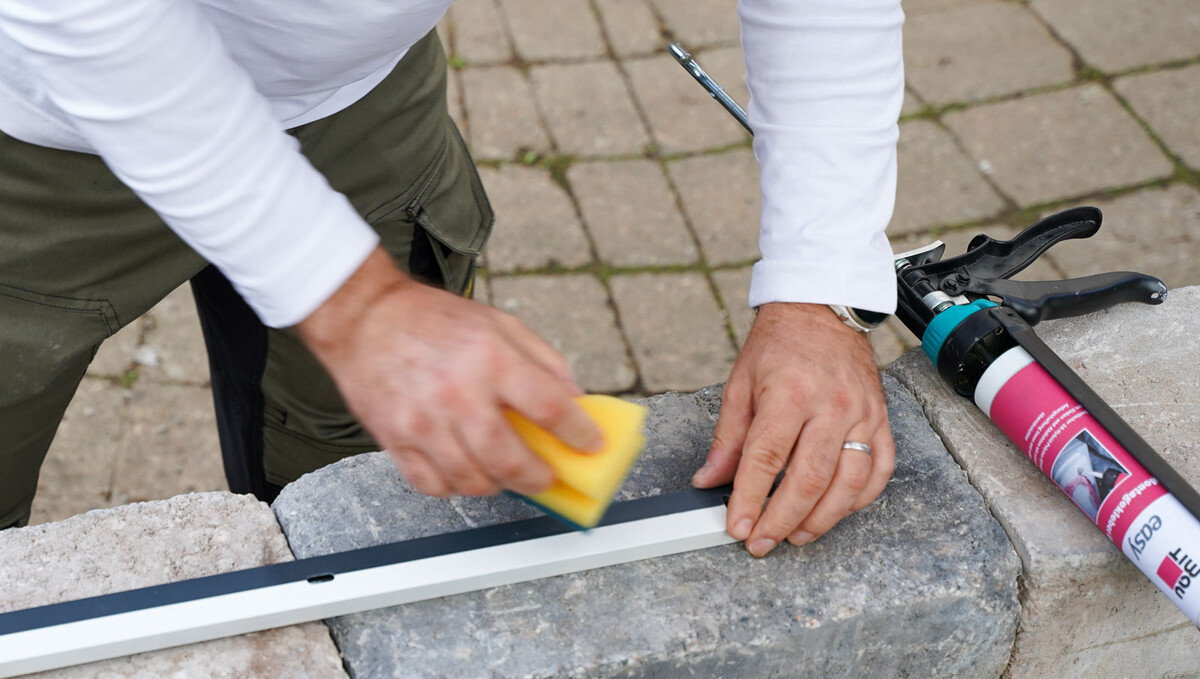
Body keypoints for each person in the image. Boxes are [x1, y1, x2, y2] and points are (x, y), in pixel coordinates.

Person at [0, 1, 903, 558]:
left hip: (355, 93)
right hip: (36, 118)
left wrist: (819, 287)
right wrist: (352, 303)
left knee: (351, 473)